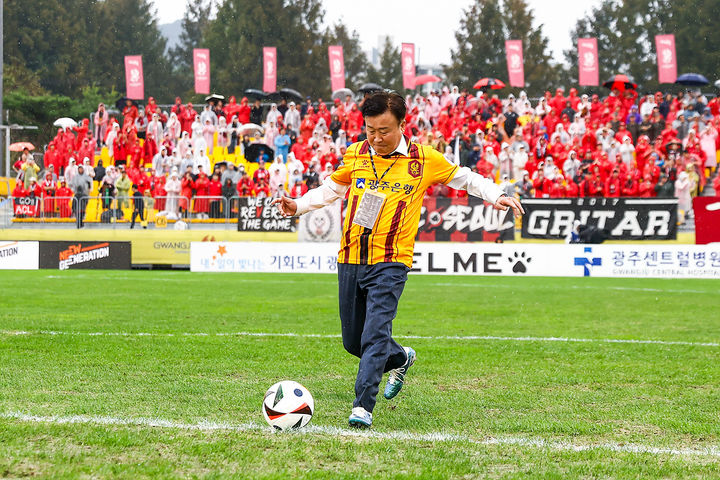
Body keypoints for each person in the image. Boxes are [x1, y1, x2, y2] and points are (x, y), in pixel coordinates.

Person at [272, 91, 523, 428]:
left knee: (375, 333)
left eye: (384, 131)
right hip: (350, 257)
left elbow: (465, 177)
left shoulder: (424, 160)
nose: (376, 138)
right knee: (353, 341)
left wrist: (497, 194)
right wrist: (298, 204)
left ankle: (363, 405)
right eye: (370, 130)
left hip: (392, 261)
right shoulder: (357, 153)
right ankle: (402, 356)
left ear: (402, 125)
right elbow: (332, 189)